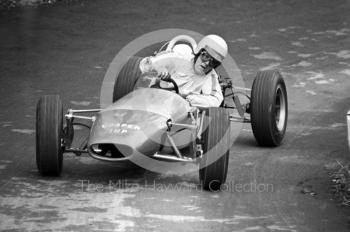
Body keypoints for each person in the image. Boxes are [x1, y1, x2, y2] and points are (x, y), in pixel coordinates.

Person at [138, 34, 228, 108]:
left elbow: (216, 100)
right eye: (206, 57)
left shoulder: (210, 76)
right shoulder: (179, 57)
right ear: (199, 51)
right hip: (156, 97)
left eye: (213, 62)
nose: (207, 63)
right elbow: (147, 63)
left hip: (180, 109)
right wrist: (159, 68)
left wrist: (190, 98)